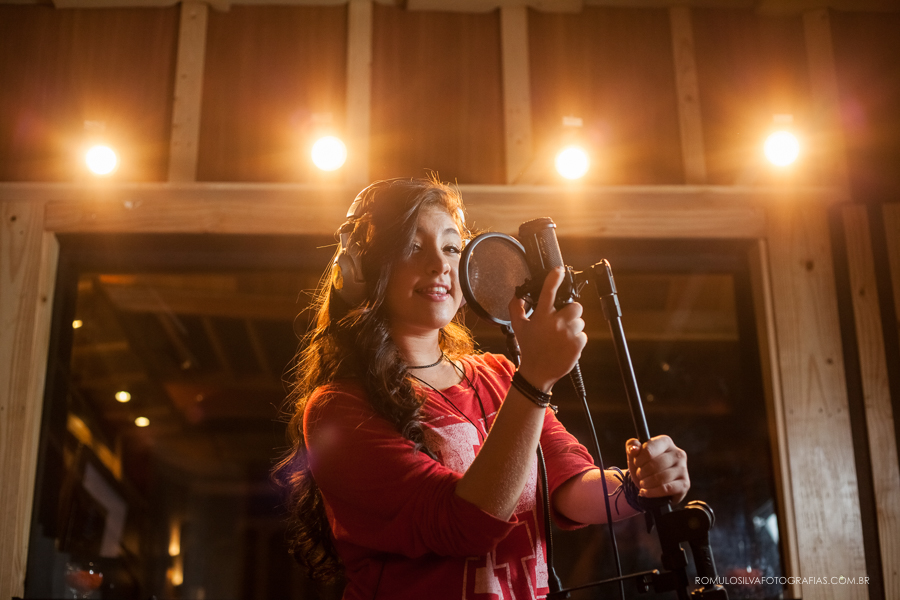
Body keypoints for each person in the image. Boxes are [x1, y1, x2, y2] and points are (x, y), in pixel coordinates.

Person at [274, 177, 690, 600]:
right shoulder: (338, 409)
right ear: (362, 269)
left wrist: (639, 486)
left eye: (451, 248)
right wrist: (535, 380)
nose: (440, 264)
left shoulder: (499, 375)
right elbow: (465, 524)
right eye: (413, 247)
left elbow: (569, 485)